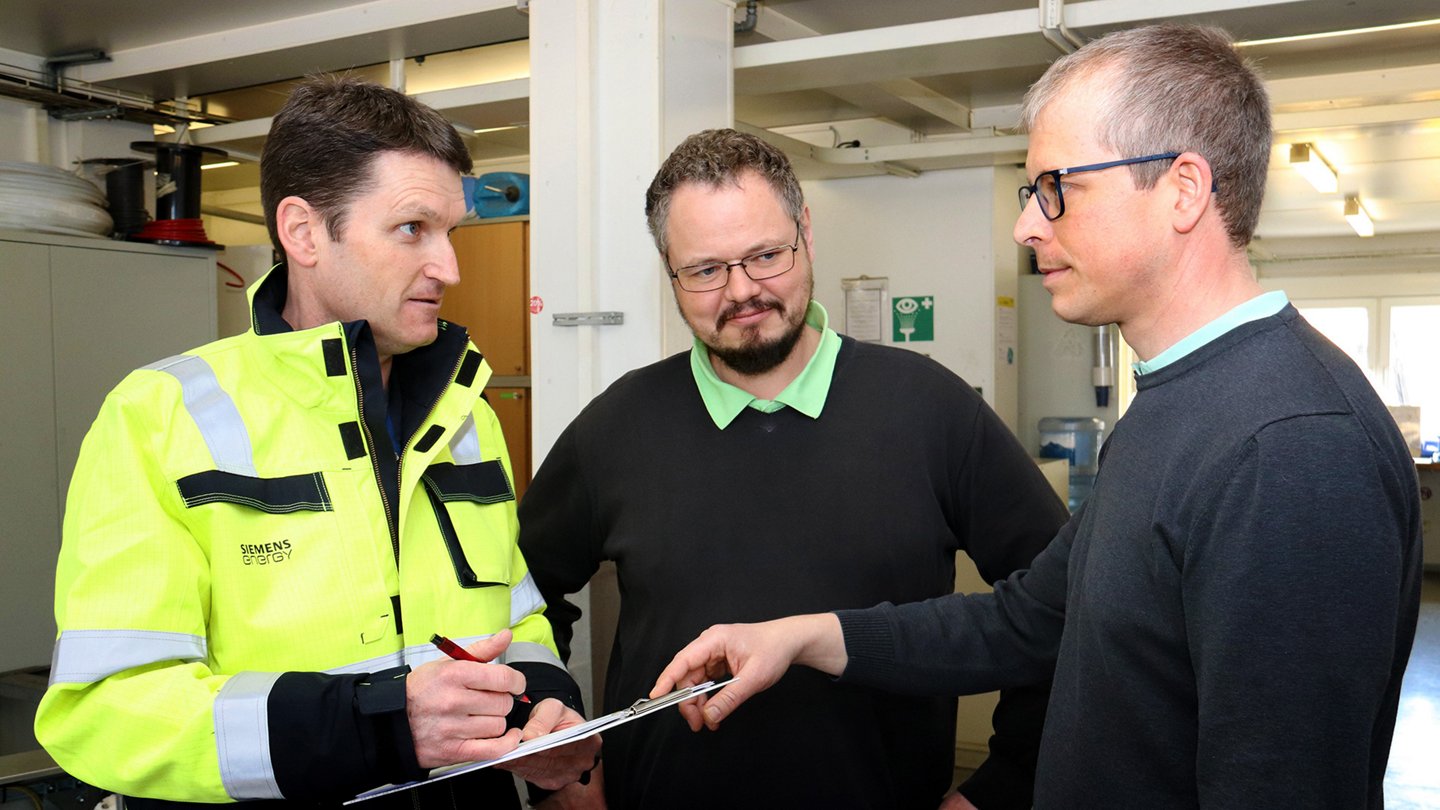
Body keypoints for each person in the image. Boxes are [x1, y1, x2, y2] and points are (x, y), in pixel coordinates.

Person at [652, 23, 1424, 810]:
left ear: (1184, 191)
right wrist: (800, 637)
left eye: (1058, 186)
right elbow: (1028, 622)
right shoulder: (1177, 401)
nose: (1026, 225)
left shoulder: (1288, 446)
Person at [35, 75, 598, 809]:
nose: (449, 269)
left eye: (450, 233)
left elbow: (515, 616)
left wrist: (543, 703)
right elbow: (107, 711)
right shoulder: (159, 415)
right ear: (303, 232)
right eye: (411, 230)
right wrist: (379, 727)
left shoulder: (466, 412)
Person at [517, 128, 1069, 809]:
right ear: (669, 269)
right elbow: (518, 596)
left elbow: (1069, 603)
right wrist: (561, 766)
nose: (743, 291)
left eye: (765, 256)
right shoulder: (617, 425)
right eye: (706, 270)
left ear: (806, 232)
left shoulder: (928, 408)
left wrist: (1001, 786)